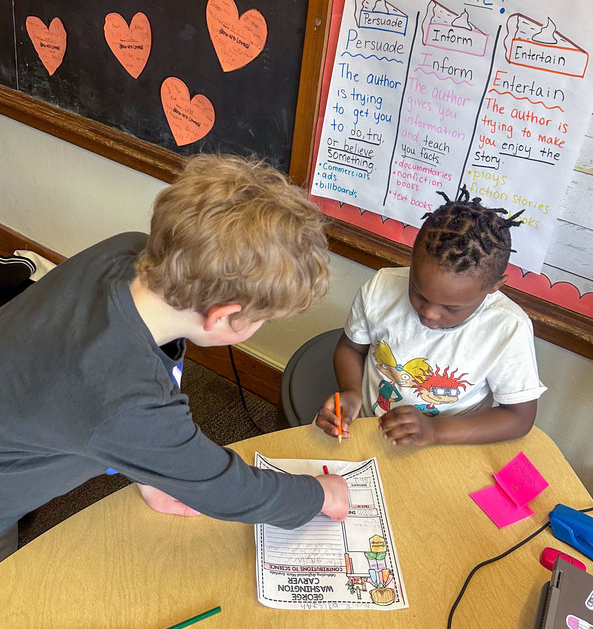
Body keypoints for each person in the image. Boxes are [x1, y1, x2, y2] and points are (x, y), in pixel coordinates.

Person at [0, 154, 349, 562]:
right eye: (264, 320)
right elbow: (226, 489)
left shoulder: (127, 251)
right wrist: (319, 495)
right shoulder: (124, 397)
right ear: (224, 318)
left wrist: (150, 470)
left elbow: (114, 409)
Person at [316, 188, 547, 446]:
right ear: (412, 259)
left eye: (451, 308)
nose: (428, 313)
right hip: (370, 430)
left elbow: (519, 418)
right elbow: (350, 347)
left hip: (449, 445)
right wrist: (351, 392)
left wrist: (435, 431)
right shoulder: (381, 287)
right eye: (418, 292)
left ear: (495, 285)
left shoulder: (508, 328)